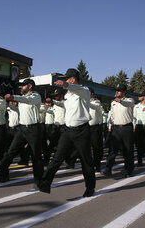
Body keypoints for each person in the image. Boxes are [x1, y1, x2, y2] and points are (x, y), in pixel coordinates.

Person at [39, 68, 96, 197]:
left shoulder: (84, 91)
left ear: (73, 79)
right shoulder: (68, 95)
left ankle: (90, 187)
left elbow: (78, 89)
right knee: (57, 157)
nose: (64, 81)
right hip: (68, 130)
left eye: (66, 79)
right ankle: (46, 183)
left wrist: (65, 85)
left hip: (81, 130)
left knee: (85, 160)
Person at [0, 78, 44, 188]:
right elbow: (20, 107)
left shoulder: (35, 96)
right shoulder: (23, 98)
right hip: (21, 129)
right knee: (11, 151)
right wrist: (9, 105)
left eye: (23, 85)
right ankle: (1, 173)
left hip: (33, 129)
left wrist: (13, 97)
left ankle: (39, 181)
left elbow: (28, 100)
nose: (21, 87)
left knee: (35, 156)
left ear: (30, 86)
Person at [105, 83, 135, 178]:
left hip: (126, 128)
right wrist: (110, 126)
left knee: (128, 149)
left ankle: (129, 169)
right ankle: (108, 168)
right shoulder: (113, 102)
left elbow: (129, 104)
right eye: (116, 91)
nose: (117, 92)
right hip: (116, 128)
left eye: (119, 91)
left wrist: (121, 101)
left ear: (124, 92)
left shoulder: (129, 100)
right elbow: (112, 115)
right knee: (112, 149)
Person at [88, 88, 104, 172]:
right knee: (85, 147)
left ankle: (97, 165)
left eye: (88, 93)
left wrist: (86, 102)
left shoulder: (96, 102)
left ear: (92, 94)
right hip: (85, 127)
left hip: (94, 128)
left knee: (96, 147)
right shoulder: (82, 102)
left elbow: (96, 107)